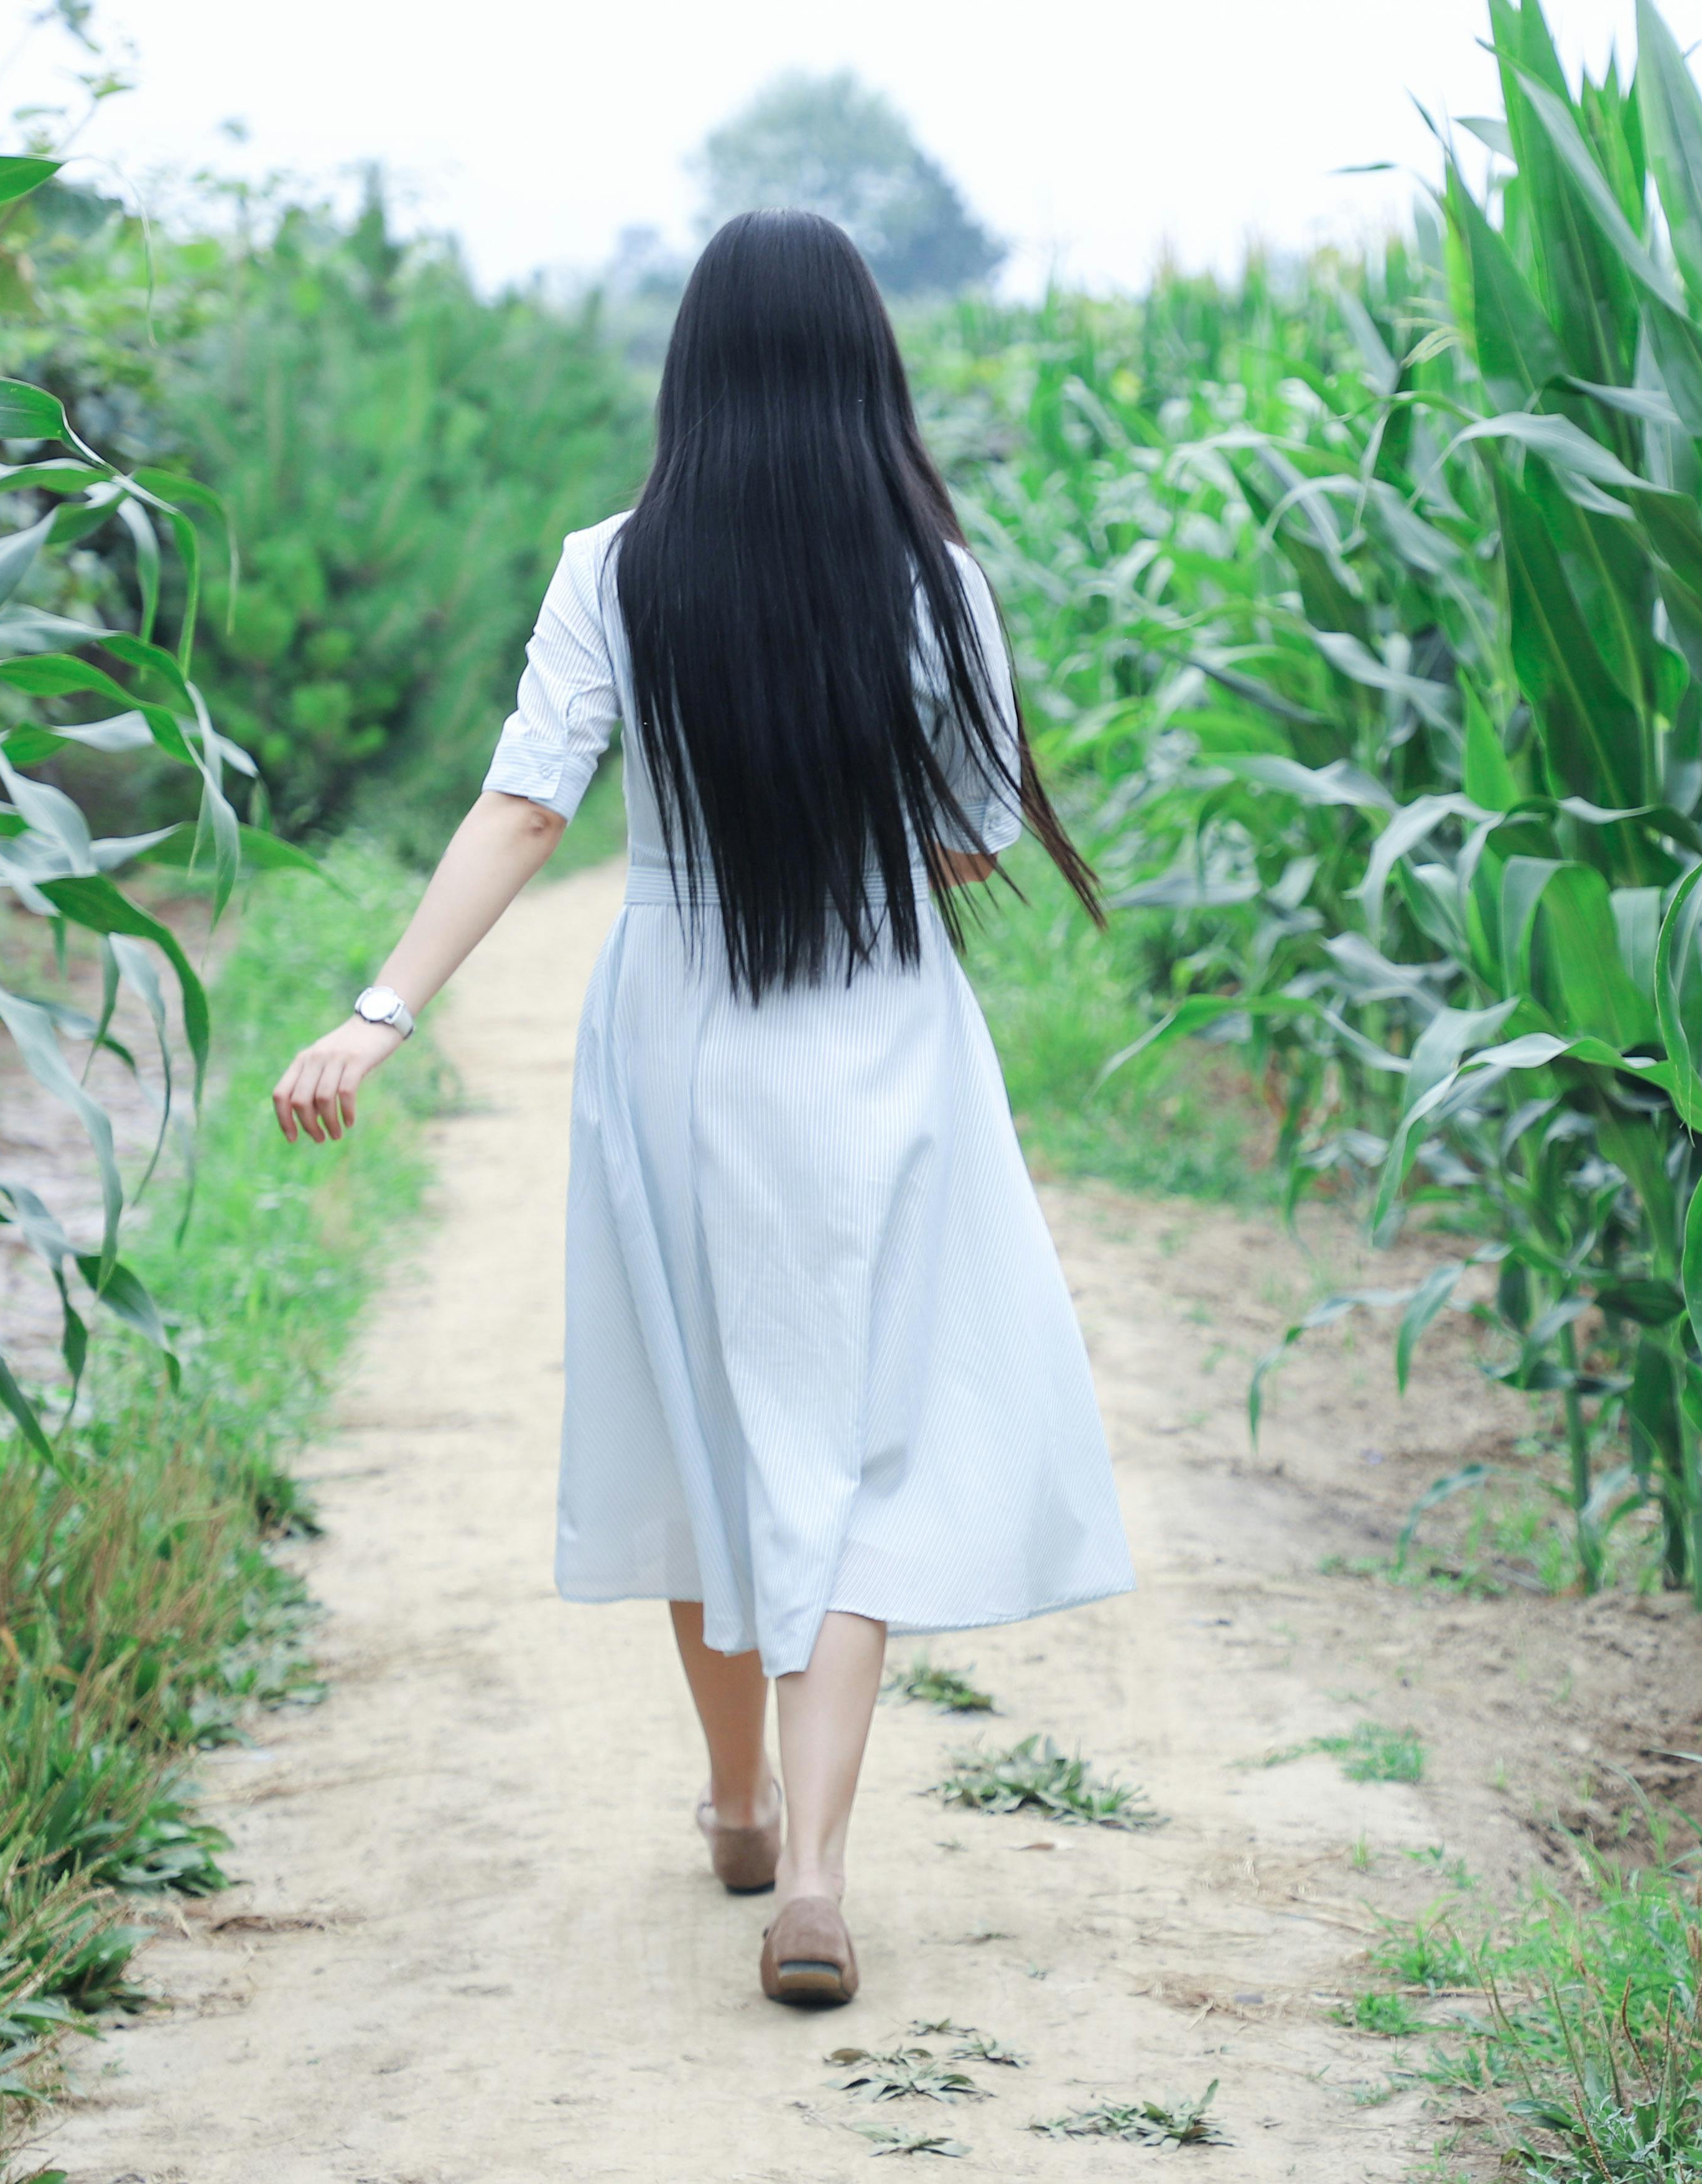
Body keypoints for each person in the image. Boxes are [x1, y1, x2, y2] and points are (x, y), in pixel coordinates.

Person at [267, 210, 1133, 2010]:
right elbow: (974, 827)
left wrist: (378, 1012)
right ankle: (816, 1866)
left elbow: (523, 807)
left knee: (699, 1409)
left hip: (674, 1020)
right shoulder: (933, 578)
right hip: (877, 1018)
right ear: (864, 371)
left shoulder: (614, 564)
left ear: (695, 374)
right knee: (857, 1433)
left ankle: (735, 1799)